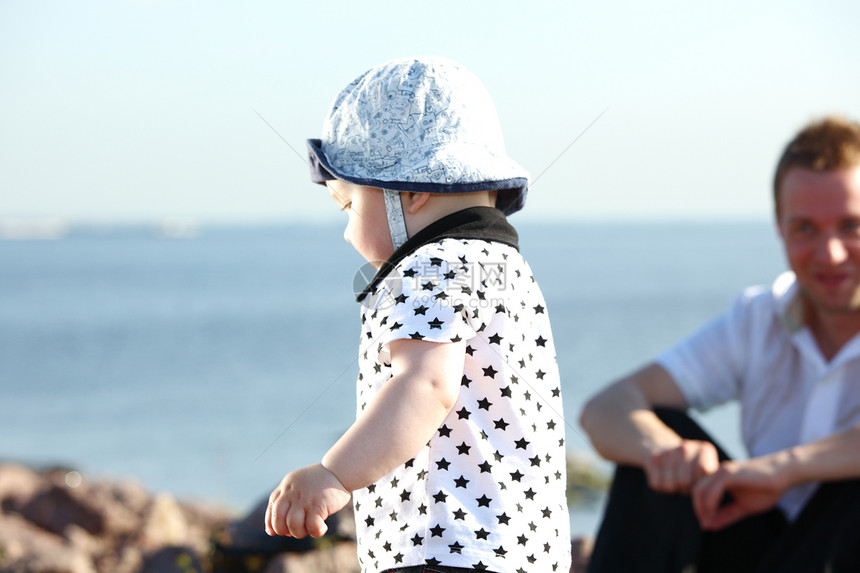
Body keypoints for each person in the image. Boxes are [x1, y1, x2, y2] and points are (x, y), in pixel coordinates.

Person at [264, 57, 571, 573]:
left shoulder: (430, 264)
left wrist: (334, 475)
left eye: (348, 206)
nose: (346, 233)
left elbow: (427, 386)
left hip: (443, 547)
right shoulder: (507, 267)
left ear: (410, 191)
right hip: (522, 552)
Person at [579, 115, 860, 573]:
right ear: (780, 228)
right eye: (806, 228)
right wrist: (666, 454)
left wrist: (785, 468)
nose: (830, 253)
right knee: (661, 440)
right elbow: (607, 407)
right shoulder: (759, 318)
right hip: (765, 547)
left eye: (851, 225)